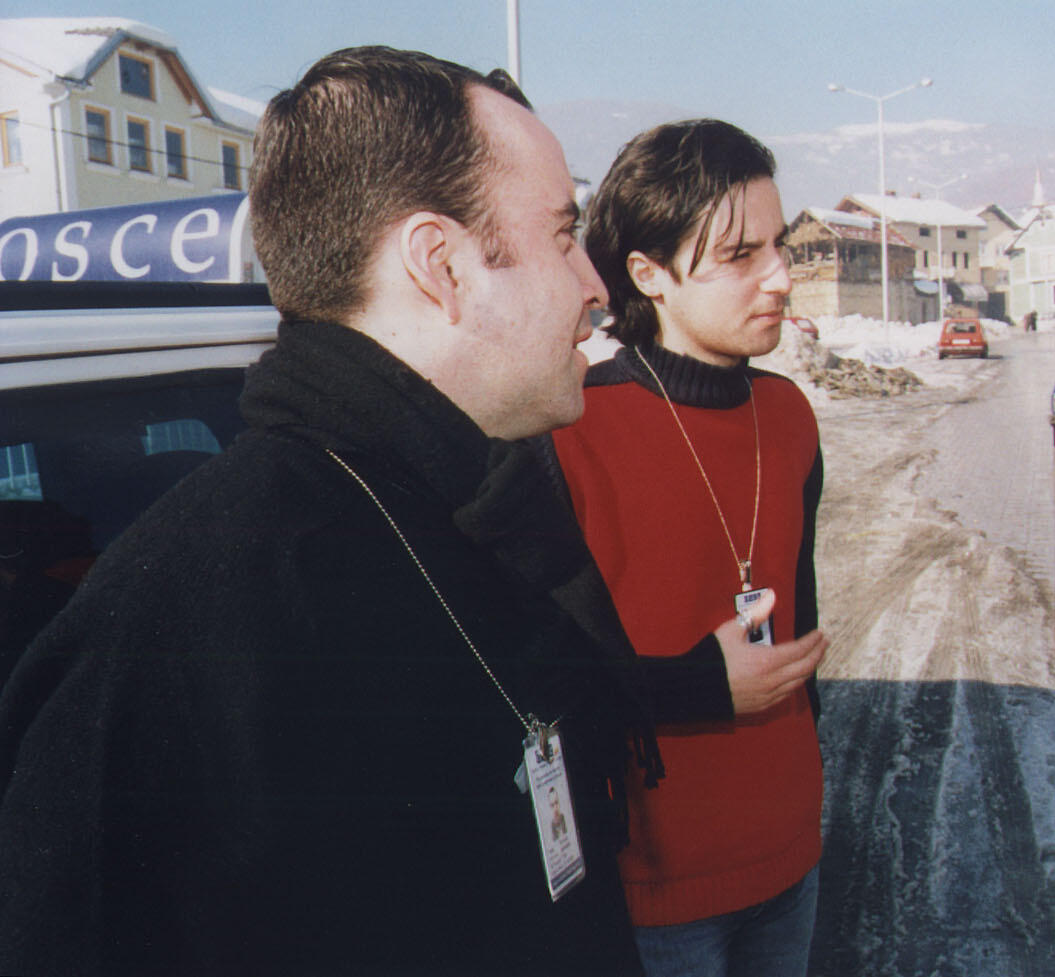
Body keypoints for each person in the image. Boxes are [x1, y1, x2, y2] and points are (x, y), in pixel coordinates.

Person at [0, 46, 652, 976]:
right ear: (441, 264)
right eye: (560, 233)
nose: (594, 285)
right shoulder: (178, 630)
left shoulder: (473, 510)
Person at [544, 119, 825, 977]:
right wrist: (698, 685)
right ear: (648, 273)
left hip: (792, 852)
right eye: (741, 255)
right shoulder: (572, 426)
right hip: (656, 887)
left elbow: (798, 625)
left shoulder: (790, 415)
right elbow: (544, 681)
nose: (780, 276)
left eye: (781, 245)